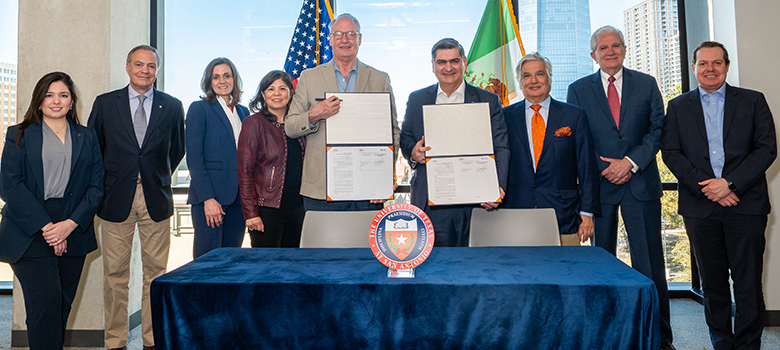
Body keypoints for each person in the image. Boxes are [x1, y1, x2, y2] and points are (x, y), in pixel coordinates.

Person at [661, 41, 776, 350]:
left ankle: (748, 346)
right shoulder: (678, 106)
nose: (710, 68)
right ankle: (722, 344)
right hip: (700, 209)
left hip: (746, 205)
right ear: (694, 67)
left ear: (726, 66)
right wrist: (710, 187)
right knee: (712, 285)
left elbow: (767, 149)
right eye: (703, 63)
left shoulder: (753, 101)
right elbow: (671, 153)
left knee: (748, 283)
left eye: (716, 63)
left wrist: (730, 184)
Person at [566, 25, 673, 349]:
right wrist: (605, 167)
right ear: (593, 54)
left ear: (624, 50)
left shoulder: (647, 83)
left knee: (650, 264)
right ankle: (605, 334)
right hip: (599, 187)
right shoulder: (579, 89)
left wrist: (629, 163)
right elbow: (577, 138)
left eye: (616, 46)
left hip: (640, 183)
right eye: (603, 48)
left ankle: (660, 336)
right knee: (601, 264)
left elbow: (657, 129)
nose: (610, 52)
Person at [87, 44, 185, 350]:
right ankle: (115, 341)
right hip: (116, 198)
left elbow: (176, 150)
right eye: (139, 65)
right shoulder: (105, 104)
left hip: (155, 197)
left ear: (158, 70)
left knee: (156, 275)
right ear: (128, 68)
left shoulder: (171, 106)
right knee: (115, 275)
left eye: (151, 66)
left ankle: (152, 340)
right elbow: (94, 148)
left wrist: (154, 175)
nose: (145, 70)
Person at [0, 72, 103, 350]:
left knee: (60, 306)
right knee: (44, 303)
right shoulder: (19, 134)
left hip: (73, 224)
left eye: (63, 95)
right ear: (39, 100)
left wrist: (68, 225)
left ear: (72, 101)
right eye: (49, 94)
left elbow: (96, 188)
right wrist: (48, 228)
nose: (56, 101)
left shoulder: (88, 137)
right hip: (29, 227)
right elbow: (9, 186)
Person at [399, 38, 509, 247]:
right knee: (435, 268)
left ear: (464, 63)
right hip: (432, 203)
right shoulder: (417, 99)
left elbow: (501, 146)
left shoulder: (489, 100)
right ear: (433, 66)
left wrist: (498, 186)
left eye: (454, 61)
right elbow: (406, 137)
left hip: (477, 200)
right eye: (441, 62)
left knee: (477, 268)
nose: (448, 67)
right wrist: (413, 152)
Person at [285, 13, 400, 212]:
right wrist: (314, 115)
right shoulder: (309, 78)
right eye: (338, 34)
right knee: (323, 244)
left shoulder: (380, 79)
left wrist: (384, 176)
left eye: (350, 34)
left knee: (365, 243)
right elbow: (290, 126)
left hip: (369, 186)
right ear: (329, 39)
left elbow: (392, 131)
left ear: (360, 39)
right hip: (321, 188)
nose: (344, 39)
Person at [501, 53, 599, 245]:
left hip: (564, 216)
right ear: (520, 83)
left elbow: (587, 168)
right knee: (520, 272)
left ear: (549, 78)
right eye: (526, 76)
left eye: (540, 74)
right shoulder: (505, 117)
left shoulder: (574, 116)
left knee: (566, 272)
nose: (533, 80)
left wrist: (587, 213)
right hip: (516, 214)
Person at [186, 57, 249, 258]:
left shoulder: (243, 111)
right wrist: (208, 199)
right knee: (207, 263)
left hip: (238, 201)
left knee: (231, 262)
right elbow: (195, 158)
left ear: (234, 79)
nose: (222, 81)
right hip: (211, 200)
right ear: (209, 82)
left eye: (227, 76)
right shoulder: (200, 109)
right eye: (216, 77)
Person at [238, 70, 306, 247]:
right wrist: (251, 213)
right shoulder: (253, 123)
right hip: (265, 210)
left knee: (292, 265)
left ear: (291, 93)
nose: (277, 93)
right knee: (267, 268)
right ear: (263, 94)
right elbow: (245, 173)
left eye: (282, 88)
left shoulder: (299, 125)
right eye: (271, 89)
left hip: (298, 210)